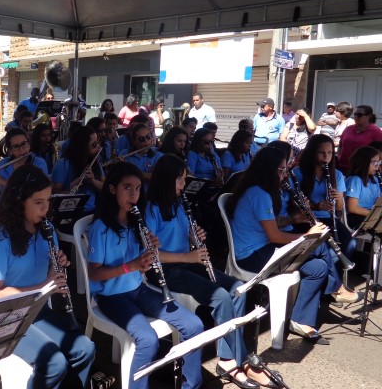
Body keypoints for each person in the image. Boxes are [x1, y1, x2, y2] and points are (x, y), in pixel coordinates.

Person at [146, 155, 272, 388]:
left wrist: (194, 237)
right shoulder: (151, 209)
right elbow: (151, 254)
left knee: (238, 289)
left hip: (187, 262)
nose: (184, 185)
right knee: (221, 297)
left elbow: (185, 237)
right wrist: (188, 256)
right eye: (180, 180)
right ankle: (240, 361)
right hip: (164, 271)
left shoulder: (179, 204)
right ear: (166, 180)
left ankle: (227, 357)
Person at [87, 162, 204, 389]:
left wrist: (149, 253)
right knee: (148, 339)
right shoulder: (101, 227)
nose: (134, 194)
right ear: (112, 189)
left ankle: (191, 385)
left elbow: (142, 266)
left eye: (138, 188)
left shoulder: (135, 223)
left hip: (137, 289)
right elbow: (94, 273)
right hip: (111, 297)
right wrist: (130, 266)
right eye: (127, 188)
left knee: (194, 325)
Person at [0, 165, 95, 388]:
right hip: (7, 317)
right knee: (54, 363)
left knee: (85, 348)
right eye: (38, 202)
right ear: (19, 201)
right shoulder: (2, 239)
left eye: (48, 200)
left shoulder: (47, 230)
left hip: (36, 310)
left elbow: (48, 275)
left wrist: (56, 266)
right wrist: (45, 286)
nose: (46, 208)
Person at [226, 147, 338, 345]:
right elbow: (275, 235)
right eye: (282, 170)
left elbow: (272, 224)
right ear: (269, 169)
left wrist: (295, 218)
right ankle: (337, 288)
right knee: (318, 246)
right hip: (251, 256)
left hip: (264, 249)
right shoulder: (259, 194)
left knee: (318, 268)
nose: (285, 174)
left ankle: (301, 320)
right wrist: (307, 236)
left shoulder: (262, 191)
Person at [293, 134, 358, 261]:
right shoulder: (298, 173)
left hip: (328, 218)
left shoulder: (337, 175)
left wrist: (337, 198)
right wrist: (316, 206)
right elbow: (294, 204)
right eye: (321, 152)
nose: (326, 156)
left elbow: (339, 207)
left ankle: (336, 270)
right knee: (324, 248)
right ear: (312, 153)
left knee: (350, 244)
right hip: (306, 219)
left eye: (329, 152)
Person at [0, 128, 48, 197]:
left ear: (29, 144)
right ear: (10, 150)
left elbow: (33, 193)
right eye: (16, 147)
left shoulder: (39, 163)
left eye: (24, 144)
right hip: (5, 204)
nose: (21, 149)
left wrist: (1, 181)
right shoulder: (3, 164)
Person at [52, 126, 105, 214]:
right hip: (70, 212)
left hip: (93, 210)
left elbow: (106, 188)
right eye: (94, 145)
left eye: (97, 143)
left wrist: (93, 181)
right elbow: (54, 194)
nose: (98, 147)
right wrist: (69, 191)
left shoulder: (95, 162)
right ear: (82, 147)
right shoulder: (63, 164)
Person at [337, 104, 382, 172]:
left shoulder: (376, 132)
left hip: (362, 170)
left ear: (368, 116)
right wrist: (339, 157)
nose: (356, 117)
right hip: (342, 167)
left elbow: (380, 153)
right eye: (355, 114)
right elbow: (340, 146)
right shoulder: (348, 129)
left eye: (359, 115)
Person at [345, 145, 381, 228]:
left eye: (378, 163)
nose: (377, 166)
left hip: (369, 215)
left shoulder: (374, 179)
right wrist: (375, 216)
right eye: (374, 163)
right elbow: (352, 208)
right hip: (355, 217)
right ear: (363, 162)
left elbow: (377, 202)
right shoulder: (354, 180)